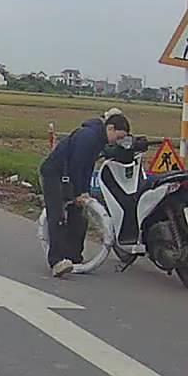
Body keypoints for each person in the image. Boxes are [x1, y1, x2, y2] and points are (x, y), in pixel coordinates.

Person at [39, 111, 131, 277]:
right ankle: (56, 261)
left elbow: (87, 169)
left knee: (79, 216)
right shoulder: (88, 137)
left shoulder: (98, 141)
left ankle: (74, 257)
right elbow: (76, 166)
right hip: (54, 174)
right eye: (118, 137)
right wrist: (77, 193)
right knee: (58, 216)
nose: (117, 142)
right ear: (110, 128)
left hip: (68, 177)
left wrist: (84, 192)